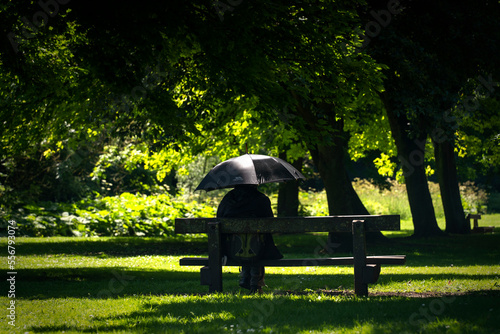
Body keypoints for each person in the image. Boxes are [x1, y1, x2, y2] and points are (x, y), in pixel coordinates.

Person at [217, 184, 283, 293]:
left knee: (246, 241)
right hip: (259, 250)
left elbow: (219, 218)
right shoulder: (261, 199)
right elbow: (270, 223)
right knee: (257, 243)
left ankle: (246, 277)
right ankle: (255, 282)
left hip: (232, 251)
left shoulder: (228, 199)